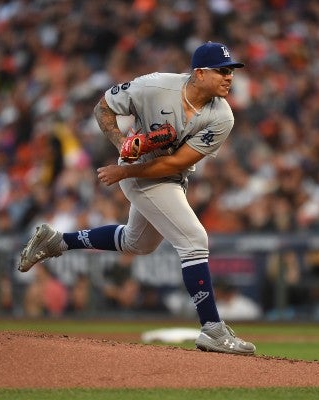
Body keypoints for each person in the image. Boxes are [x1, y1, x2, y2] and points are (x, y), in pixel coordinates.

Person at [18, 42, 255, 355]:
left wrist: (124, 173)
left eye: (231, 71)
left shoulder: (222, 116)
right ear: (199, 73)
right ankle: (212, 329)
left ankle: (58, 241)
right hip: (141, 174)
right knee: (195, 240)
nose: (229, 77)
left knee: (137, 244)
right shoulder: (154, 86)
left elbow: (175, 163)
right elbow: (102, 107)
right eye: (222, 71)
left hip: (164, 174)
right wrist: (121, 143)